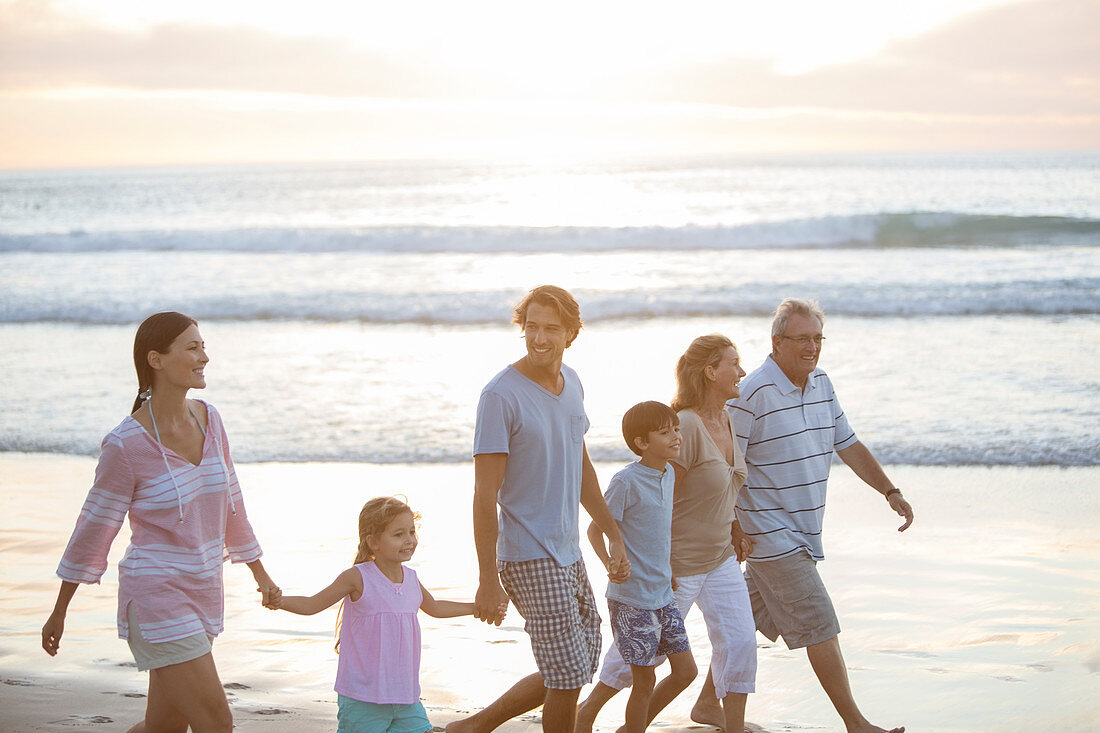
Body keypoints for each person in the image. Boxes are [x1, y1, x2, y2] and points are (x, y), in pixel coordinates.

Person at [41, 311, 280, 733]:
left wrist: (260, 574)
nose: (204, 356)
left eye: (203, 345)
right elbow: (94, 529)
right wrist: (60, 611)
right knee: (216, 722)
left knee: (165, 727)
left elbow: (232, 504)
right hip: (157, 597)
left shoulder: (210, 419)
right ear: (156, 359)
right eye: (192, 347)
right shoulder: (126, 444)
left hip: (204, 591)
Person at [447, 285, 630, 733]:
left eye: (551, 328)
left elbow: (579, 461)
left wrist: (610, 528)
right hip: (527, 553)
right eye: (531, 327)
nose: (540, 338)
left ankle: (473, 728)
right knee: (567, 676)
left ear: (571, 332)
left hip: (568, 550)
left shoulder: (573, 384)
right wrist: (488, 578)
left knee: (578, 664)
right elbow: (482, 494)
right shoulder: (500, 397)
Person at [728, 298, 913, 733]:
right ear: (777, 342)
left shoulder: (822, 382)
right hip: (769, 535)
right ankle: (856, 724)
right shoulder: (751, 393)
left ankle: (705, 705)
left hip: (804, 532)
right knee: (820, 625)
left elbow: (847, 444)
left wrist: (890, 490)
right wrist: (733, 526)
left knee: (743, 621)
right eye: (802, 339)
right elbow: (724, 463)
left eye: (817, 338)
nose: (812, 347)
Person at [577, 334, 758, 733]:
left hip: (721, 558)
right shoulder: (687, 426)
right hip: (678, 565)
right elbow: (657, 502)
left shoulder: (727, 418)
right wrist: (632, 558)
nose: (741, 371)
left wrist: (736, 527)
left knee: (741, 642)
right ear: (711, 372)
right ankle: (589, 713)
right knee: (638, 660)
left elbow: (722, 487)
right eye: (734, 362)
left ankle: (733, 727)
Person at [271, 496, 496, 733]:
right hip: (363, 697)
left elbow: (436, 608)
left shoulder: (411, 579)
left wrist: (477, 608)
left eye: (411, 532)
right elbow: (312, 604)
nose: (409, 540)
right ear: (373, 542)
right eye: (398, 535)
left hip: (406, 697)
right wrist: (279, 601)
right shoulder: (358, 577)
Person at [586, 401, 697, 733]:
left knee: (685, 672)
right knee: (644, 680)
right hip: (631, 598)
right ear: (641, 443)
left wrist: (668, 568)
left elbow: (655, 531)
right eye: (665, 432)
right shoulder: (626, 481)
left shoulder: (671, 474)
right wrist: (609, 563)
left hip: (663, 594)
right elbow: (596, 529)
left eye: (676, 429)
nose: (676, 436)